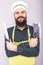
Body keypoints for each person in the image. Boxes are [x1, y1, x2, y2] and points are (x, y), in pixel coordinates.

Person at [5, 1, 39, 65]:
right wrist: (28, 45)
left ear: (26, 14)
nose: (20, 15)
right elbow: (8, 53)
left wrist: (15, 48)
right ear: (14, 15)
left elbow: (35, 52)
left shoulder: (34, 30)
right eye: (17, 13)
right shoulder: (8, 31)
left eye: (22, 12)